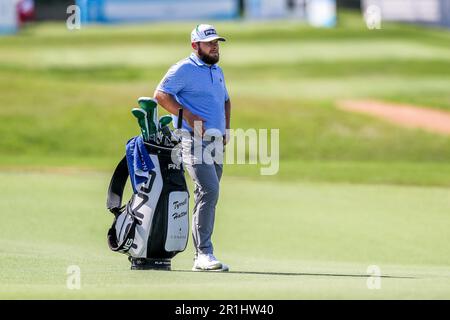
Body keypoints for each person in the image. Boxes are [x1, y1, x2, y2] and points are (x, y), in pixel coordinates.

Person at [154, 24, 231, 271]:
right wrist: (187, 115)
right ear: (195, 46)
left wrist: (226, 129)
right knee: (209, 190)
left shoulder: (217, 70)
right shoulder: (183, 69)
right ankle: (203, 254)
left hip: (216, 142)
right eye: (209, 43)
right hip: (192, 141)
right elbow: (160, 95)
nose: (215, 46)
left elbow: (226, 100)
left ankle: (202, 253)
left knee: (208, 194)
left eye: (217, 42)